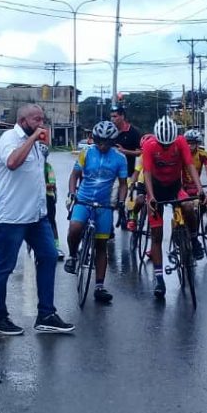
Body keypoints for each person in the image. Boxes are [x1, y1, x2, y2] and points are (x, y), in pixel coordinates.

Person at [0, 104, 73, 336]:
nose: (41, 123)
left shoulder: (34, 143)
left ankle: (46, 314)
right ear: (23, 120)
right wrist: (34, 137)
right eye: (36, 119)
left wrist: (38, 140)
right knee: (4, 266)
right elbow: (13, 163)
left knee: (49, 256)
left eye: (42, 119)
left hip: (36, 217)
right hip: (11, 217)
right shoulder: (9, 138)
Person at [65, 121, 128, 303]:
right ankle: (72, 255)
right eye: (99, 141)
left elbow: (123, 184)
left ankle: (99, 286)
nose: (102, 145)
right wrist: (72, 192)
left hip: (104, 204)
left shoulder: (119, 158)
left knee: (101, 246)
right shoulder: (86, 152)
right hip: (83, 199)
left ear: (112, 142)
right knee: (75, 227)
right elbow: (74, 175)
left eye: (106, 142)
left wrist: (122, 202)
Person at [142, 117, 204, 299]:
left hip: (175, 186)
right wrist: (151, 197)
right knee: (157, 235)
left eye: (169, 144)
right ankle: (159, 279)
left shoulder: (180, 142)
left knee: (188, 205)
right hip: (156, 188)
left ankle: (193, 239)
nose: (167, 147)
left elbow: (190, 166)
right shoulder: (149, 145)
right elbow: (146, 173)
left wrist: (200, 189)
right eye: (163, 144)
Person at [182, 129, 207, 240]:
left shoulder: (202, 155)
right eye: (188, 142)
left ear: (198, 143)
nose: (190, 145)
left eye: (193, 143)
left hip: (196, 187)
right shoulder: (181, 154)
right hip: (183, 188)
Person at [41, 143, 64, 260]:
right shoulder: (30, 167)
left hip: (47, 196)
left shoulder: (48, 167)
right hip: (32, 196)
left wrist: (41, 186)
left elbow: (52, 184)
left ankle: (56, 246)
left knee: (51, 220)